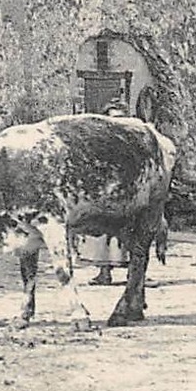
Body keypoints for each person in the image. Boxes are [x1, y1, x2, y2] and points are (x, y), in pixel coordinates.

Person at [78, 97, 133, 285]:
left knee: (129, 232)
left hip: (126, 191)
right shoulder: (99, 143)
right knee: (102, 232)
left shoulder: (132, 143)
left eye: (121, 118)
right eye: (113, 119)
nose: (117, 123)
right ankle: (104, 272)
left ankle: (133, 274)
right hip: (104, 192)